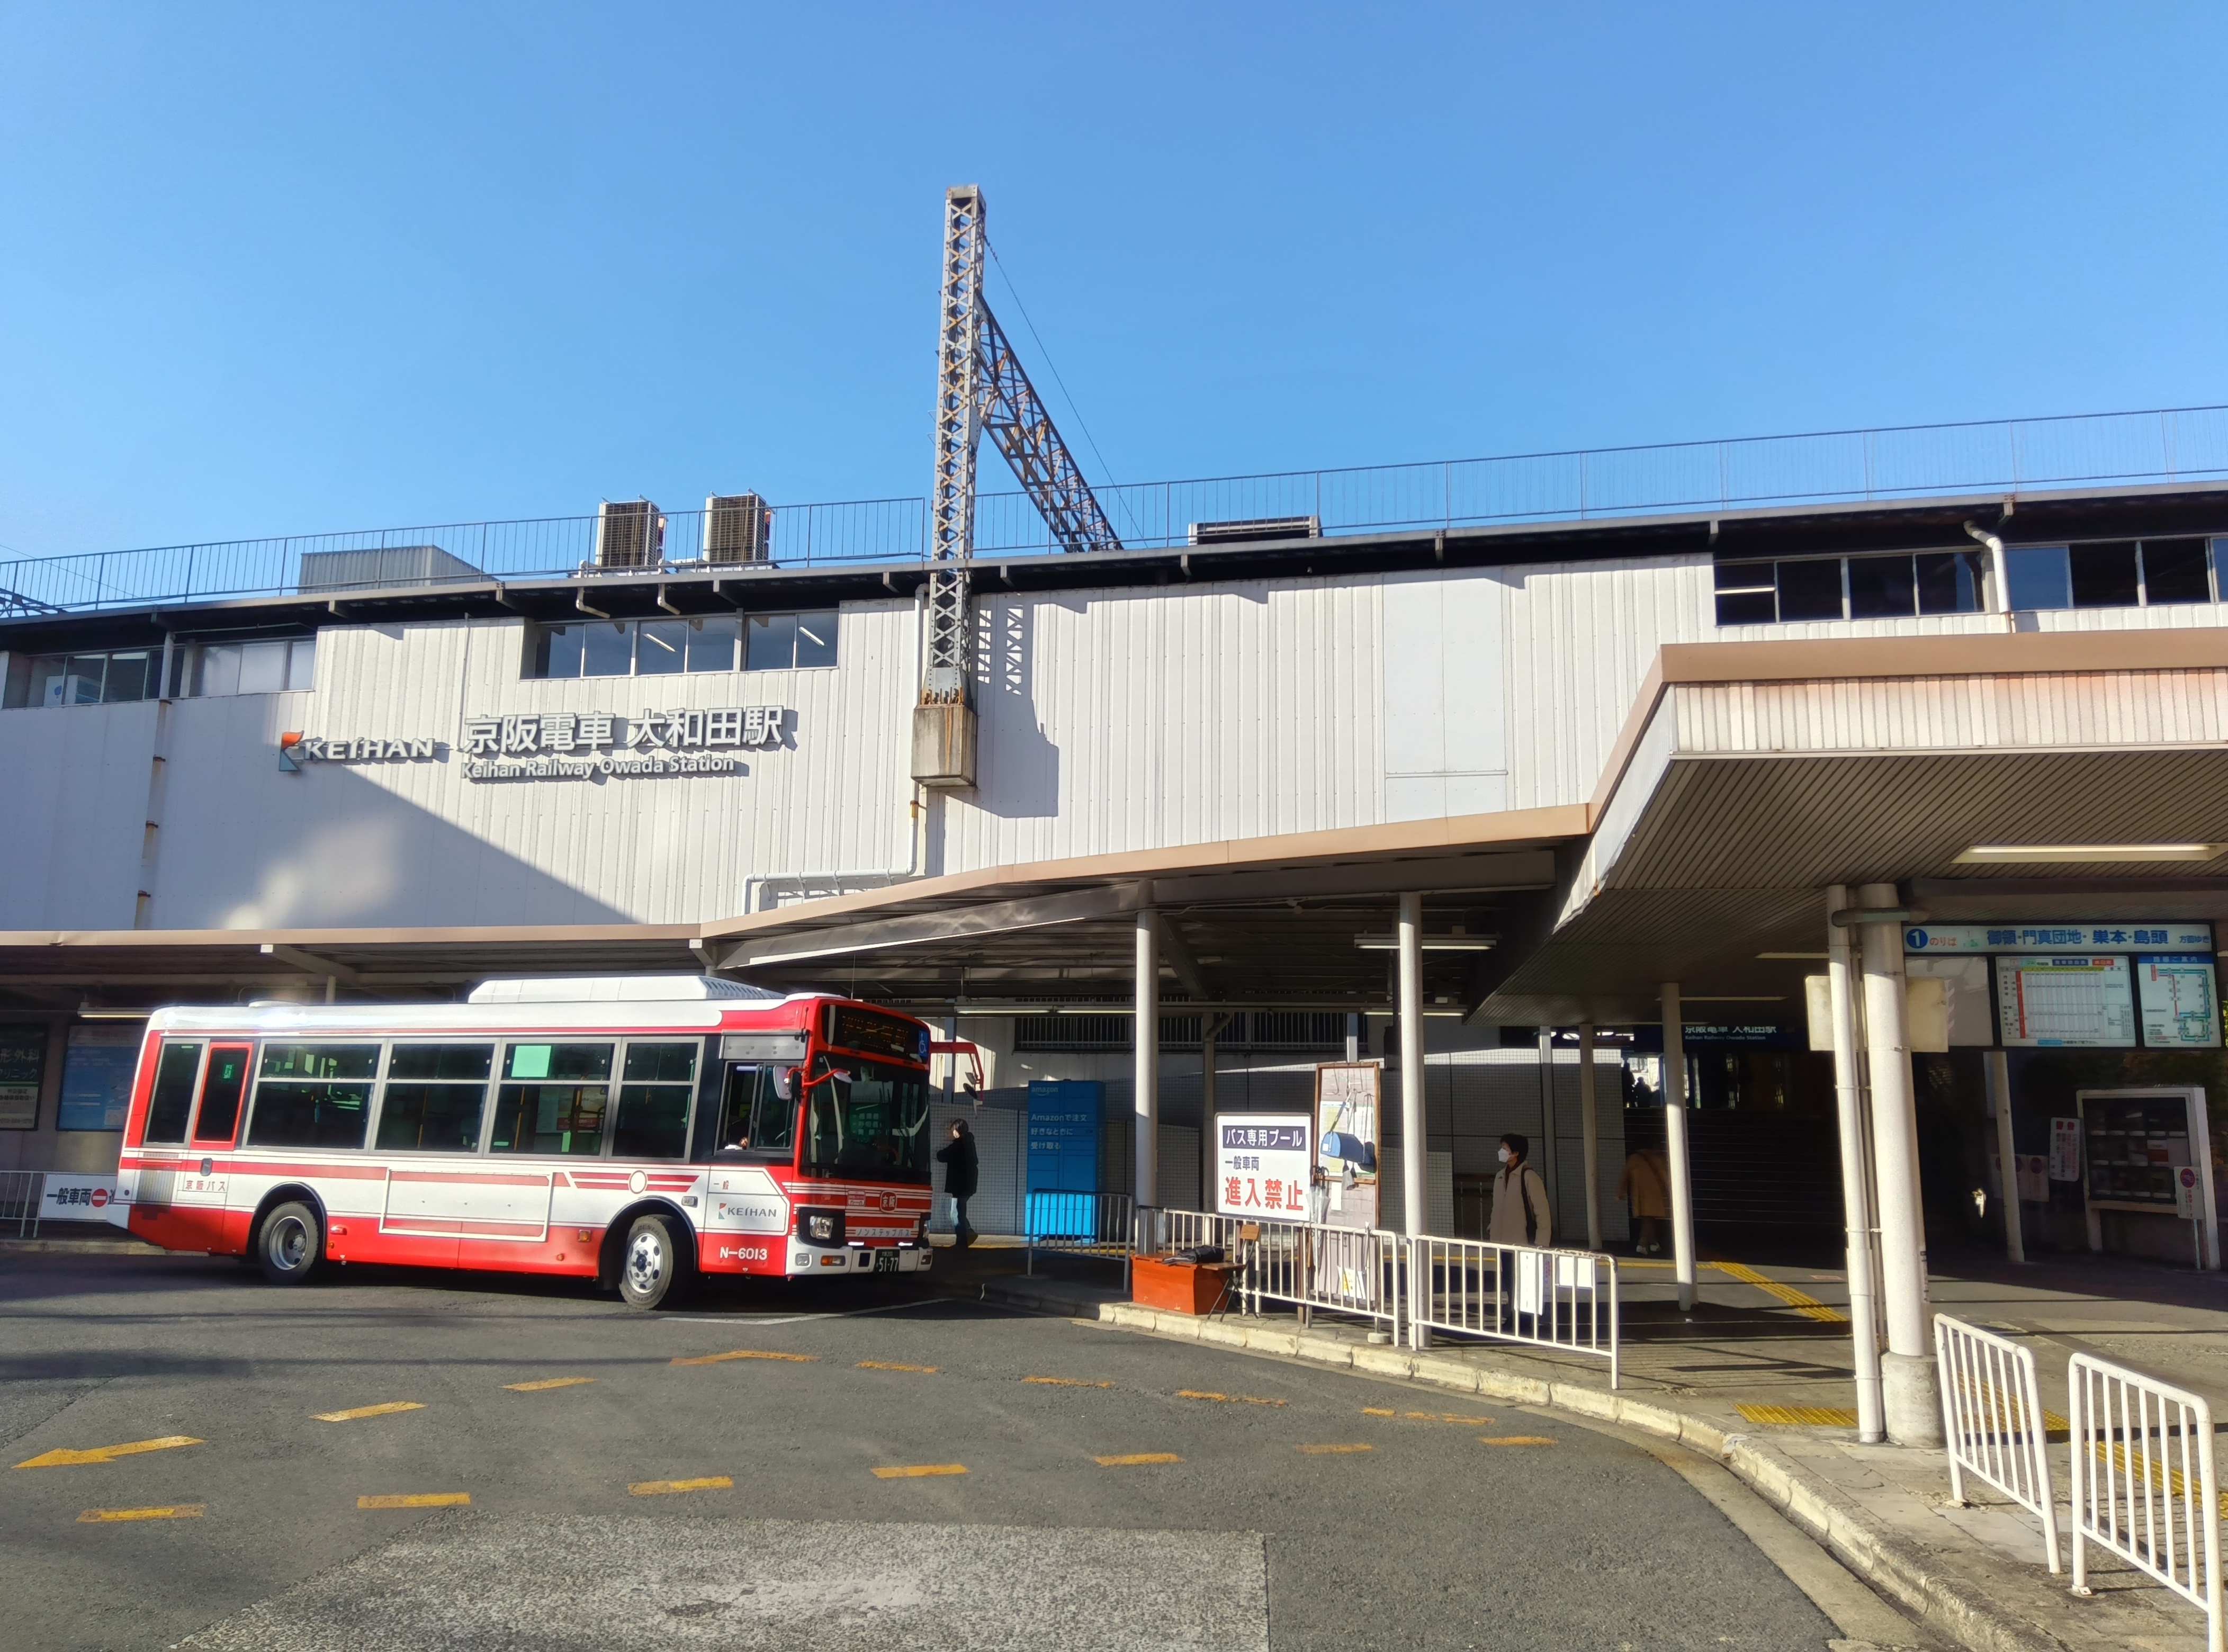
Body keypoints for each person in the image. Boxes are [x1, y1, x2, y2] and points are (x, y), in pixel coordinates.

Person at [1487, 1133, 1551, 1249]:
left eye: (1505, 1148)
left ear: (1516, 1153)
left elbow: (1543, 1212)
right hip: (1497, 1242)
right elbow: (1496, 1207)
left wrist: (1542, 1242)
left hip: (1521, 1243)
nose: (1501, 1151)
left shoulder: (1530, 1177)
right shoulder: (1499, 1176)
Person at [1616, 1144, 1670, 1256]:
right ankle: (1642, 1243)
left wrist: (1621, 1193)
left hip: (1639, 1194)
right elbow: (1666, 1176)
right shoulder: (1658, 1158)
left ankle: (1653, 1243)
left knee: (1648, 1219)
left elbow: (1625, 1176)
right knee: (1649, 1219)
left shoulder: (1634, 1159)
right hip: (1655, 1194)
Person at [936, 1118, 980, 1248]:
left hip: (960, 1186)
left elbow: (941, 1155)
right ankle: (967, 1235)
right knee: (959, 1212)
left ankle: (963, 1241)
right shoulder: (969, 1143)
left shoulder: (959, 1145)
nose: (951, 1133)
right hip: (967, 1185)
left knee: (955, 1213)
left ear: (957, 1131)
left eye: (953, 1130)